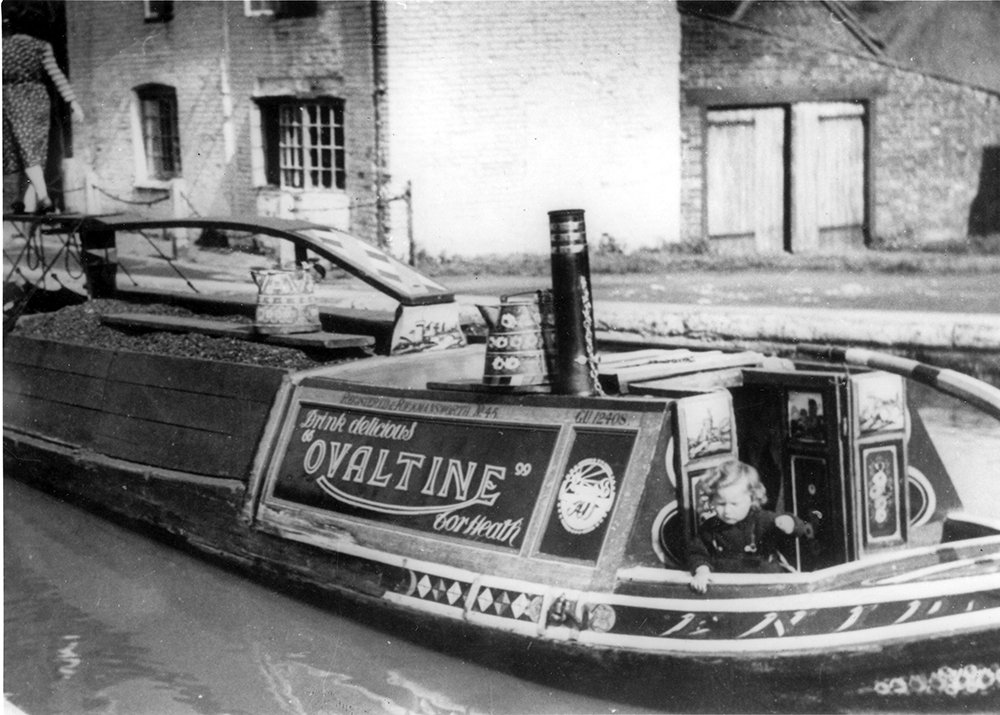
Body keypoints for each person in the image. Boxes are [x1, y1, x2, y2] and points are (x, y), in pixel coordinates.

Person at [3, 4, 84, 215]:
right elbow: (57, 75)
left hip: (13, 100)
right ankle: (25, 202)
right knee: (34, 153)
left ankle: (44, 198)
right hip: (39, 100)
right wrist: (73, 102)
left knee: (24, 152)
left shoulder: (3, 48)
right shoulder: (42, 47)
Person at [686, 460, 812, 594]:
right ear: (712, 500)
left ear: (752, 498)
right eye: (721, 504)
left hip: (765, 584)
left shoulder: (762, 519)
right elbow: (698, 553)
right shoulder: (710, 528)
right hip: (727, 586)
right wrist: (702, 570)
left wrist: (789, 523)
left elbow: (799, 528)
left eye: (735, 504)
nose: (727, 510)